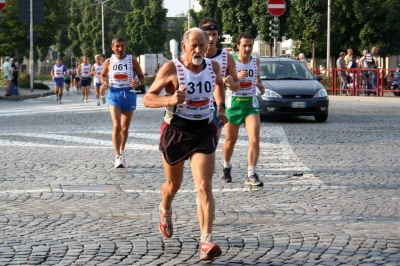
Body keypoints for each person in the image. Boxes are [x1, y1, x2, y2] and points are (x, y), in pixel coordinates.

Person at [143, 28, 226, 261]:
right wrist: (169, 99)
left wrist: (221, 107)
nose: (199, 50)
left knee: (204, 185)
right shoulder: (172, 68)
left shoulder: (213, 67)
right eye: (194, 46)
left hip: (203, 131)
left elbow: (219, 84)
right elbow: (148, 98)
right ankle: (165, 207)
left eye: (204, 46)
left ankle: (206, 241)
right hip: (176, 132)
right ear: (184, 47)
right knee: (173, 185)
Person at [221, 32, 265, 186]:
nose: (247, 49)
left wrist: (259, 84)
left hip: (250, 104)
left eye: (250, 45)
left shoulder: (256, 61)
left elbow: (257, 76)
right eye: (244, 45)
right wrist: (236, 77)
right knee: (230, 141)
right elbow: (222, 81)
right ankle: (226, 167)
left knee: (255, 139)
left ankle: (251, 174)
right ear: (238, 46)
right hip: (233, 105)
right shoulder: (230, 61)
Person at [100, 36, 144, 168]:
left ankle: (122, 150)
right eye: (117, 46)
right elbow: (102, 75)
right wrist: (104, 82)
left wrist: (137, 83)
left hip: (129, 94)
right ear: (112, 47)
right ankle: (117, 156)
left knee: (124, 129)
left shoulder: (132, 60)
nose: (120, 49)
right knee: (116, 126)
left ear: (125, 47)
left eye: (122, 46)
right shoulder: (109, 61)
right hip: (114, 94)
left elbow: (142, 77)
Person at [199, 18, 240, 140]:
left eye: (214, 35)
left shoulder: (226, 57)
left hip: (216, 105)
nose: (211, 39)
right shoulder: (192, 55)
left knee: (211, 144)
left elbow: (237, 86)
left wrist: (231, 83)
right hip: (195, 105)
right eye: (207, 35)